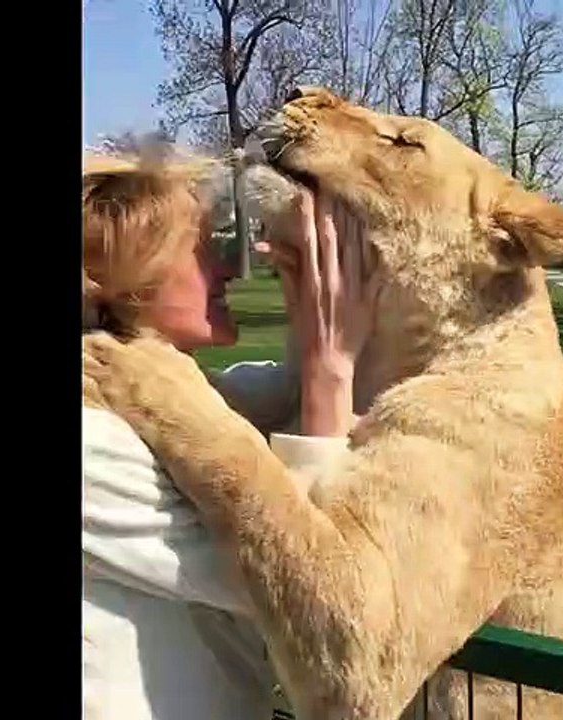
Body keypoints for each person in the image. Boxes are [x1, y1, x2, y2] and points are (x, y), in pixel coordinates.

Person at [81, 150, 377, 720]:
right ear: (117, 283)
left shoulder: (179, 399)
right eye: (201, 251)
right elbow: (304, 589)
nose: (228, 270)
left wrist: (318, 294)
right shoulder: (93, 446)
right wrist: (326, 380)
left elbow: (274, 392)